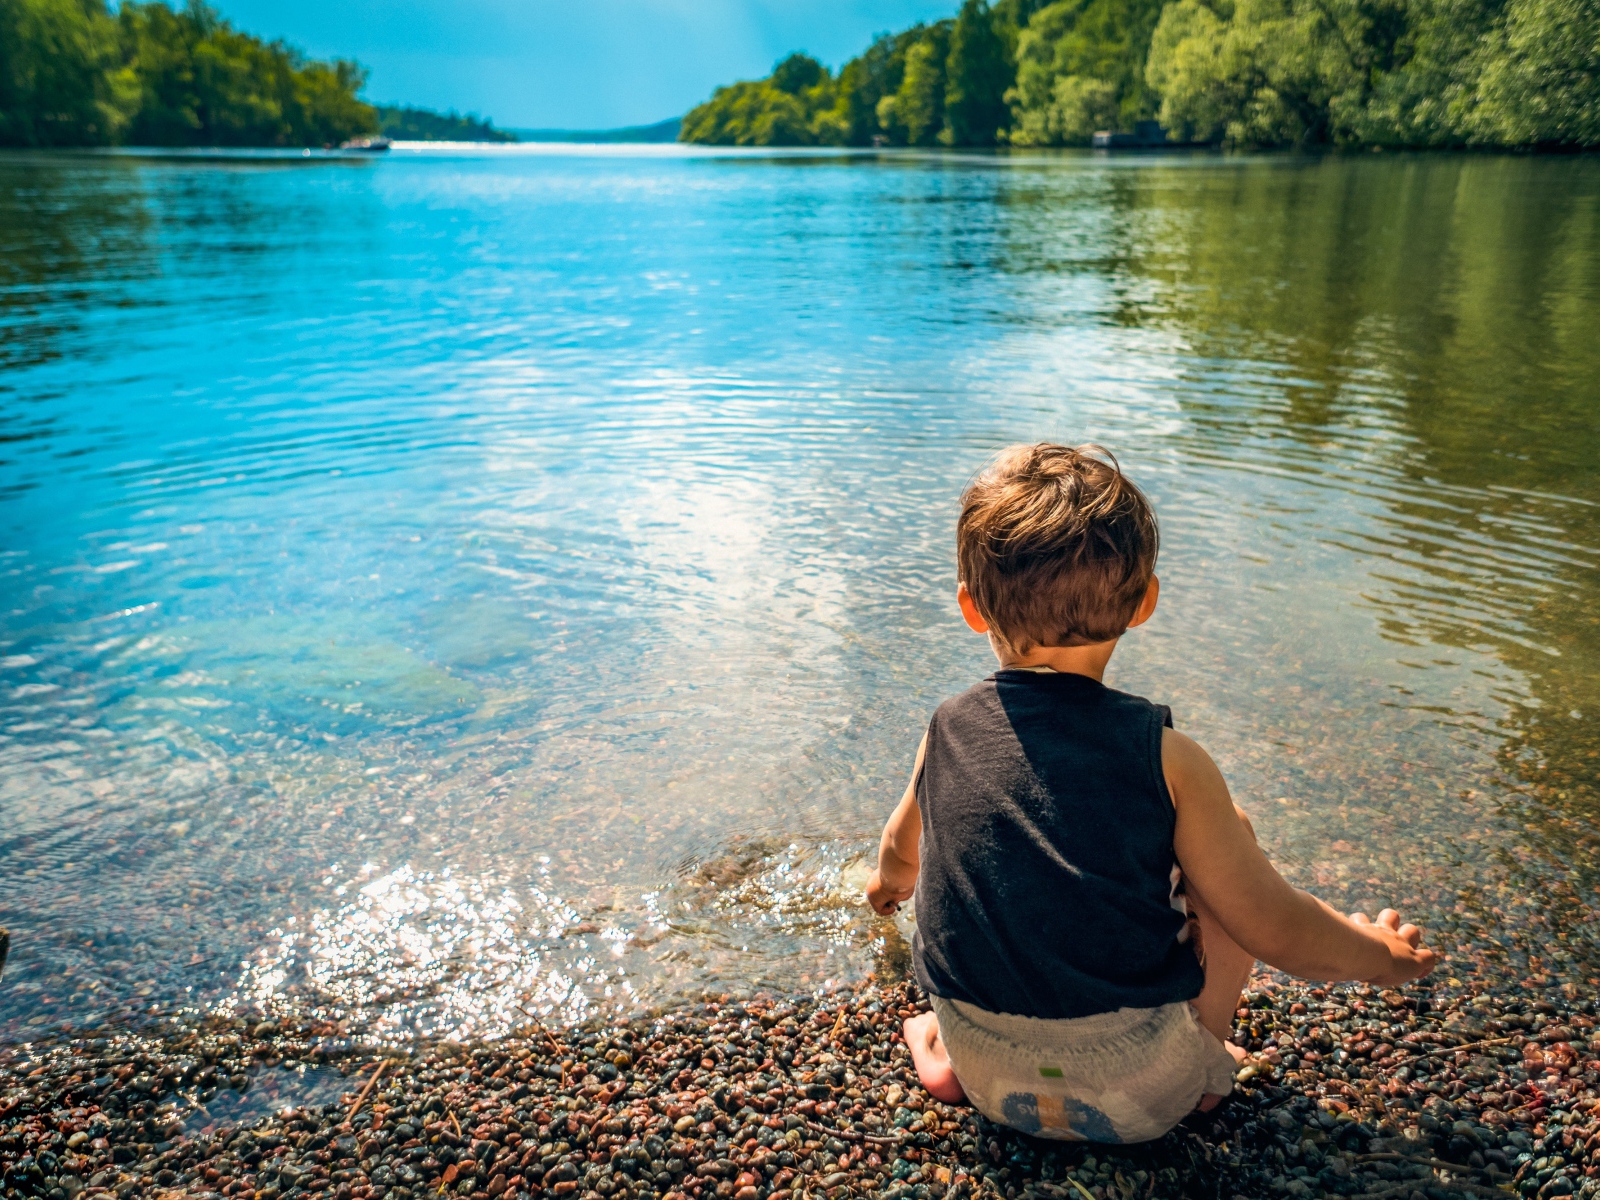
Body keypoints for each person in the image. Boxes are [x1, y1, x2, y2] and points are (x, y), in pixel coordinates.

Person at [864, 443, 1436, 1143]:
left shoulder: (945, 732)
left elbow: (900, 851)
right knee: (1230, 838)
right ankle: (1208, 1061)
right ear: (1144, 603)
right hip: (1142, 1096)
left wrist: (884, 889)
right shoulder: (1169, 760)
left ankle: (942, 1052)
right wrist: (1381, 955)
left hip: (988, 1078)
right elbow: (1277, 928)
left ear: (971, 610)